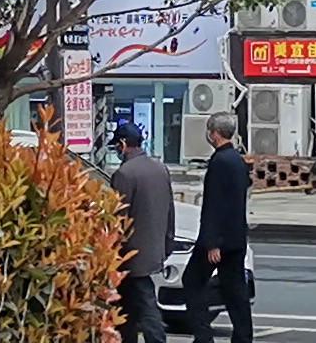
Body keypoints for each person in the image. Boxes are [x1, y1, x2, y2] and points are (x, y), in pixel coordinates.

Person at [180, 110, 252, 343]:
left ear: (215, 134)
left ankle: (203, 336)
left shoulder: (219, 162)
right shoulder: (238, 161)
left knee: (192, 280)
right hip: (236, 238)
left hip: (218, 240)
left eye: (209, 131)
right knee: (235, 291)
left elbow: (214, 205)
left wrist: (212, 243)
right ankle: (243, 337)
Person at [107, 119, 174, 343]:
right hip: (154, 248)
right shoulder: (159, 168)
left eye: (117, 145)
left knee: (144, 306)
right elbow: (170, 210)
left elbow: (118, 217)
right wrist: (167, 243)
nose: (117, 149)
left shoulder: (124, 174)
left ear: (124, 144)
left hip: (130, 254)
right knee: (127, 308)